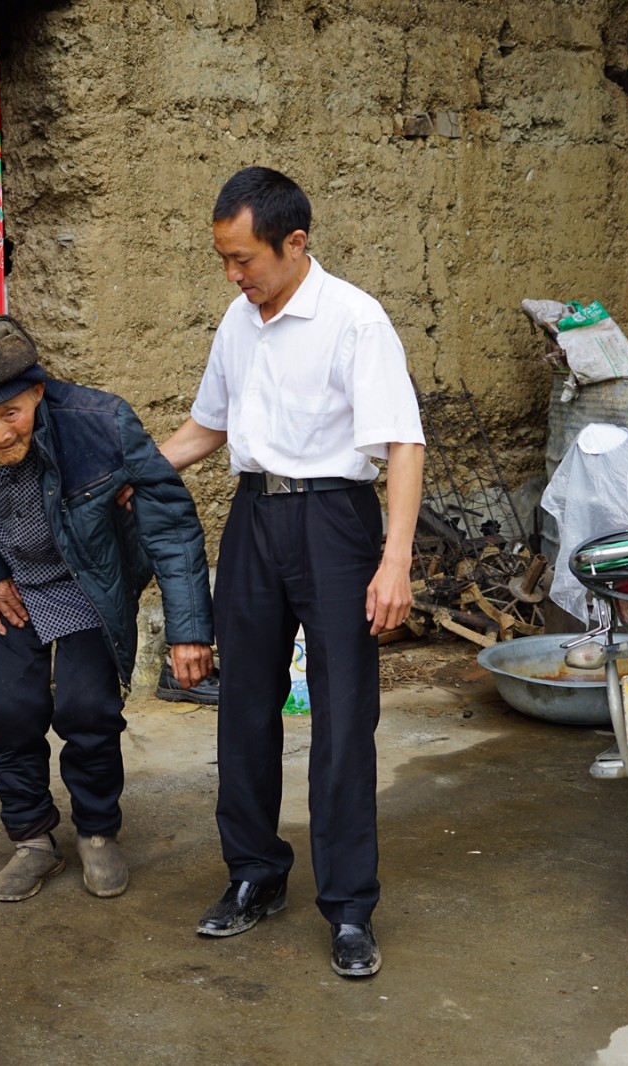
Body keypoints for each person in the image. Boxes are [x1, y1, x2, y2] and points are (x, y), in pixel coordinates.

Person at [158, 166, 426, 978]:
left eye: (245, 259)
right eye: (224, 261)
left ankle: (349, 909)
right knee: (242, 706)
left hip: (337, 523)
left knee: (343, 721)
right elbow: (205, 428)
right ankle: (254, 875)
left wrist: (395, 561)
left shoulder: (355, 320)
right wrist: (130, 477)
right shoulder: (237, 323)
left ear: (294, 242)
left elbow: (403, 443)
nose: (234, 276)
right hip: (253, 518)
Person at [0, 316, 215, 902]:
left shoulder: (100, 424)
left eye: (11, 415)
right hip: (13, 587)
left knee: (88, 710)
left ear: (38, 392)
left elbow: (171, 526)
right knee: (11, 714)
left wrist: (188, 630)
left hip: (89, 583)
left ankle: (98, 832)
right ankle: (32, 839)